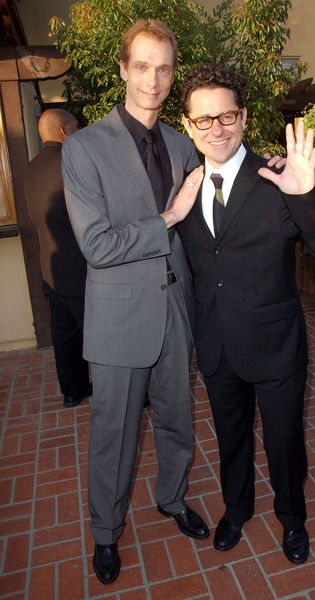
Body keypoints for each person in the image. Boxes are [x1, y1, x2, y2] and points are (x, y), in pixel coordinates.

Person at [176, 64, 315, 564]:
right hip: (216, 344)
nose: (216, 128)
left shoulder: (278, 178)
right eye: (204, 119)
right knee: (230, 439)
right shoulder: (183, 189)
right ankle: (237, 509)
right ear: (188, 125)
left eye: (226, 115)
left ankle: (293, 521)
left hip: (275, 346)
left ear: (244, 117)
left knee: (284, 443)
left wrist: (306, 195)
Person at [61, 19, 209, 585]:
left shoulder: (179, 143)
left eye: (164, 67)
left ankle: (171, 498)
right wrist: (167, 218)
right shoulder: (83, 148)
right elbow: (97, 245)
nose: (153, 79)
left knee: (177, 420)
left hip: (176, 309)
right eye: (142, 66)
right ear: (123, 70)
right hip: (119, 313)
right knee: (114, 433)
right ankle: (105, 531)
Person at [24, 108, 92, 408]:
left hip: (50, 270)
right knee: (101, 337)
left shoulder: (31, 167)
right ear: (65, 131)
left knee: (65, 337)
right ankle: (125, 392)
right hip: (80, 267)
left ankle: (72, 391)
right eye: (76, 126)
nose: (79, 130)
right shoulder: (71, 162)